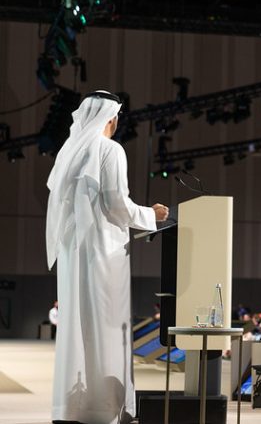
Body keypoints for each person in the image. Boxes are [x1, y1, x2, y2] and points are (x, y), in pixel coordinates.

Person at [46, 91, 169, 424]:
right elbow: (117, 203)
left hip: (73, 255)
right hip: (103, 253)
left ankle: (71, 406)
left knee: (76, 326)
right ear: (111, 118)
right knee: (106, 327)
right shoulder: (110, 150)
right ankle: (102, 408)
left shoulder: (69, 152)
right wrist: (151, 214)